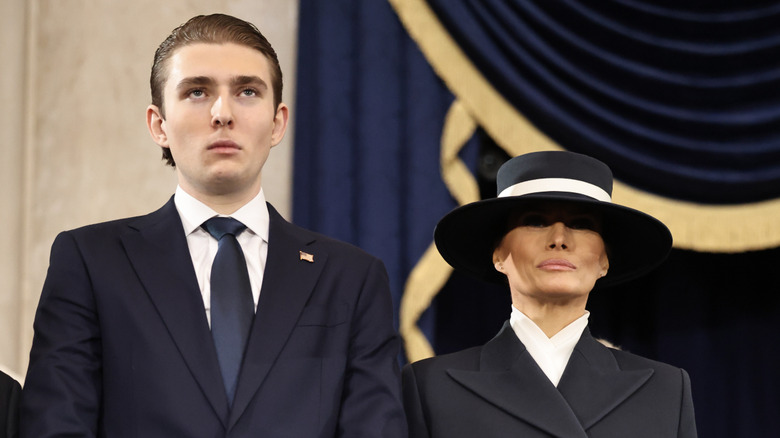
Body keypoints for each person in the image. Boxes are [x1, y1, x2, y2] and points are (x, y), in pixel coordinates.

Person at [21, 14, 406, 437]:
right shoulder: (90, 262)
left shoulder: (352, 278)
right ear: (158, 124)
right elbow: (56, 425)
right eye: (197, 91)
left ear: (277, 122)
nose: (222, 113)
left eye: (246, 91)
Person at [402, 151, 697, 437]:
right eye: (535, 221)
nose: (559, 239)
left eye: (582, 224)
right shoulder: (430, 386)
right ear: (498, 255)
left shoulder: (666, 389)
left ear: (604, 261)